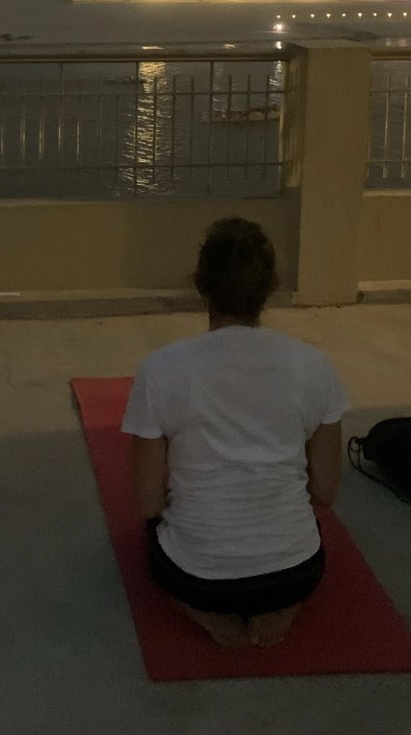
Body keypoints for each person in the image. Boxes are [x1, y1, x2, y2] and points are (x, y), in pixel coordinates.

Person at [121, 217, 350, 649]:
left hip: (197, 578)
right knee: (296, 551)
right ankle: (279, 609)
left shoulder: (163, 369)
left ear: (200, 284)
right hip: (295, 572)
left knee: (149, 540)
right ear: (271, 285)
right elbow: (324, 490)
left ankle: (208, 614)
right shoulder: (314, 366)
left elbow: (147, 501)